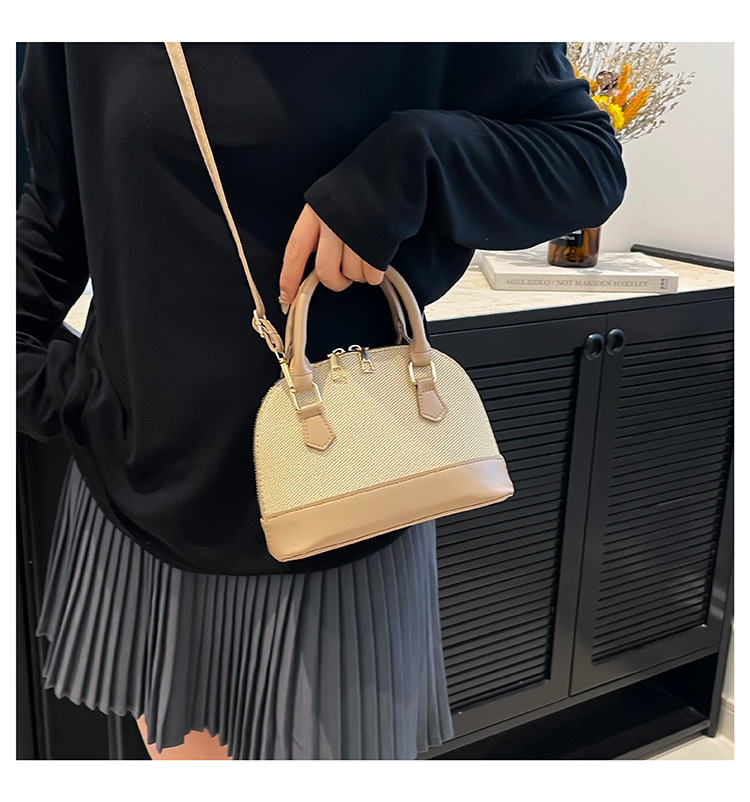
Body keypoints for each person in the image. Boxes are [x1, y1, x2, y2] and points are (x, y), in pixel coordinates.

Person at [17, 42, 627, 760]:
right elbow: (53, 212)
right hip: (141, 488)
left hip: (343, 506)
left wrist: (409, 159)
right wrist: (38, 381)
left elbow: (586, 161)